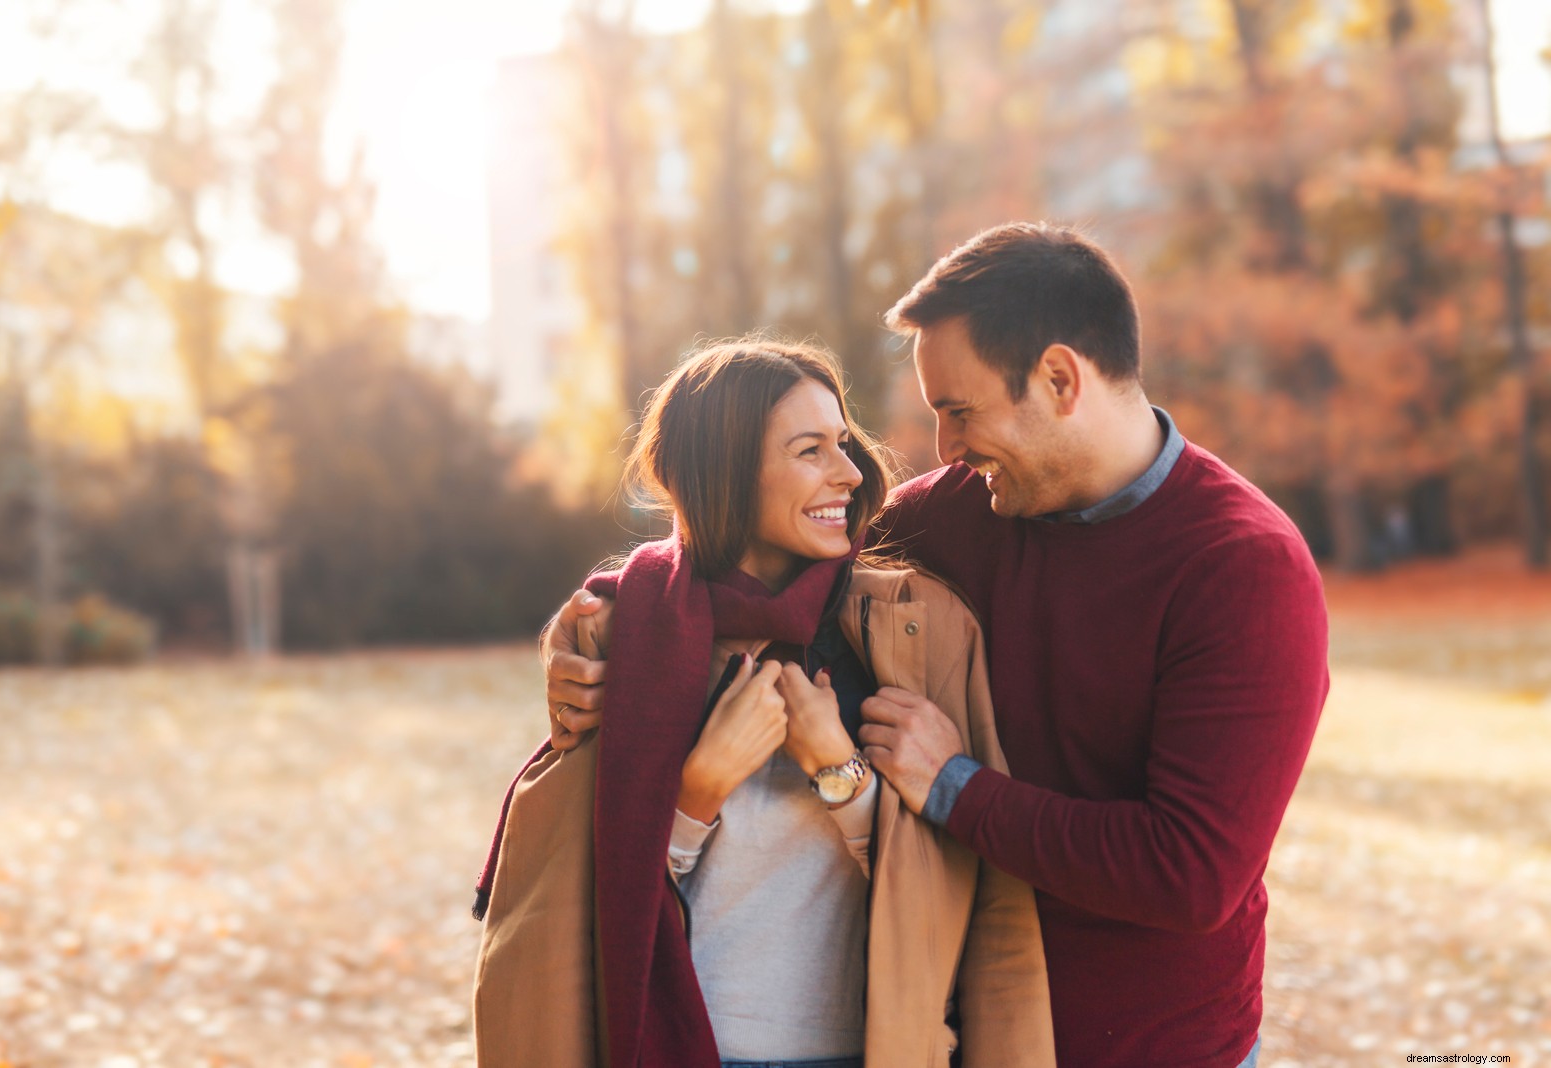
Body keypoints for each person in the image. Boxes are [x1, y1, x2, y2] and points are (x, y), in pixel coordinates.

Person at [544, 224, 1330, 1068]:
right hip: (963, 1033)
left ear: (1060, 378)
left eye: (960, 411)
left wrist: (954, 787)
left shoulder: (1244, 567)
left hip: (1155, 1045)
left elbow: (1189, 874)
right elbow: (757, 555)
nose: (947, 449)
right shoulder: (960, 511)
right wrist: (595, 626)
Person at [473, 340, 1055, 1068]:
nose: (848, 472)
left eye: (843, 443)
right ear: (725, 476)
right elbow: (590, 911)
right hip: (679, 1048)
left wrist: (839, 772)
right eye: (810, 450)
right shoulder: (627, 636)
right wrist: (696, 796)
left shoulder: (919, 630)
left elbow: (970, 895)